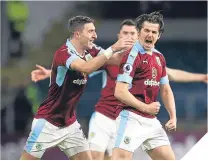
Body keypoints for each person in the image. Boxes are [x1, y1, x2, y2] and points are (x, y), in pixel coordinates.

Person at [30, 19, 208, 160]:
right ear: (119, 35)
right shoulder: (110, 58)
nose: (129, 36)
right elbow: (82, 69)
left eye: (132, 33)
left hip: (129, 117)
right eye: (126, 33)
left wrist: (201, 77)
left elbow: (170, 75)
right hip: (105, 116)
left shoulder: (151, 58)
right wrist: (50, 72)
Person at [20, 15, 134, 160]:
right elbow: (86, 68)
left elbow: (115, 60)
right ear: (77, 34)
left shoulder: (91, 50)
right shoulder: (64, 53)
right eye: (91, 31)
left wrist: (134, 46)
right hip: (48, 121)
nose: (95, 35)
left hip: (70, 124)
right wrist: (113, 48)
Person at [113, 11, 176, 160]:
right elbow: (119, 91)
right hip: (130, 117)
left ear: (158, 35)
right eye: (146, 30)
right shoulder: (132, 55)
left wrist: (173, 116)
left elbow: (166, 90)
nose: (150, 34)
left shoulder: (159, 57)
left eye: (154, 32)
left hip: (150, 120)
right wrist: (146, 107)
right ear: (139, 32)